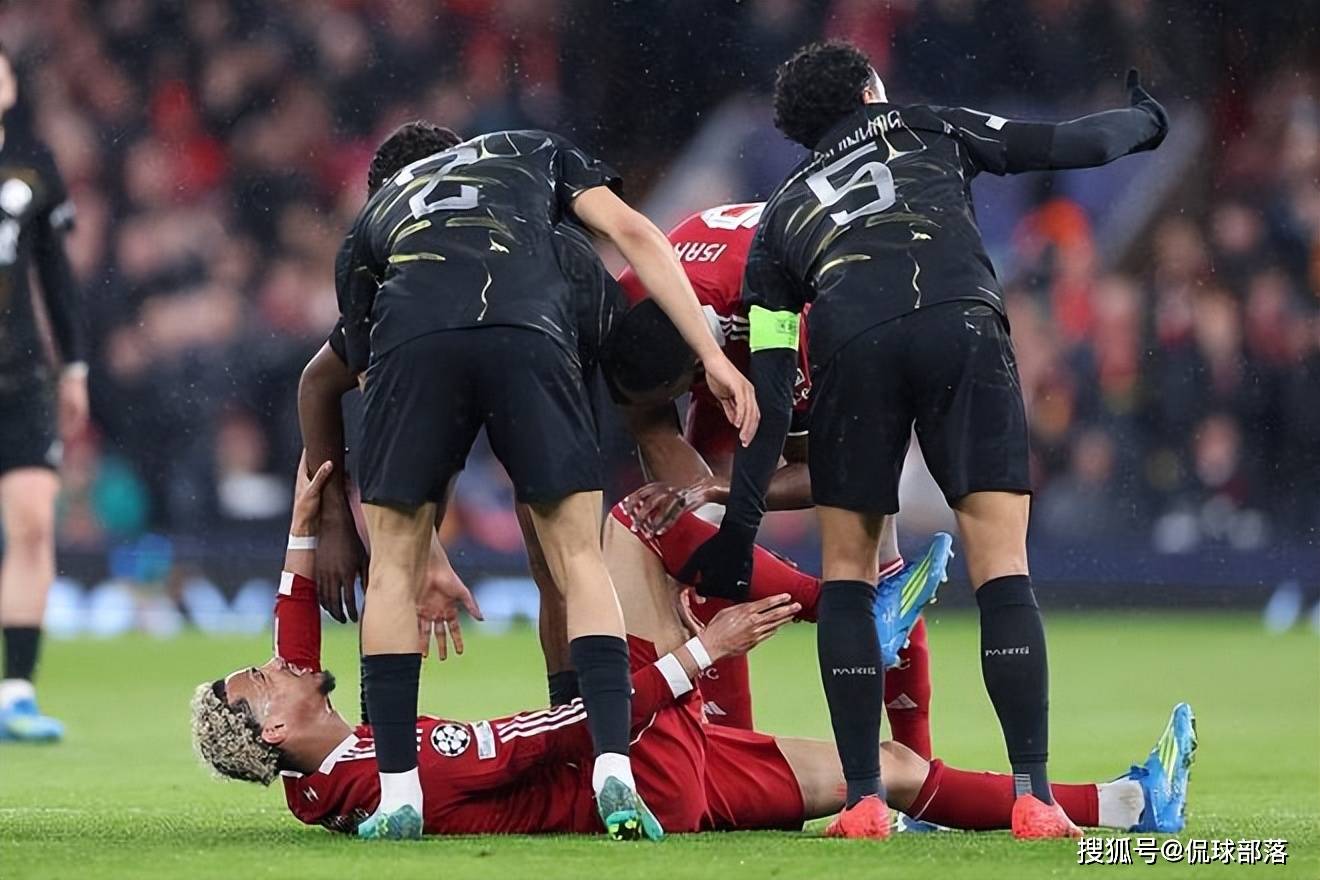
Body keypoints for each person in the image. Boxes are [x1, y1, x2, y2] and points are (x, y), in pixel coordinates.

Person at [681, 42, 1170, 839]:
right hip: (959, 323)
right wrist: (1144, 123)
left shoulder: (781, 216)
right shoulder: (924, 125)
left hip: (853, 347)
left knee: (849, 575)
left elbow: (770, 388)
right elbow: (1063, 144)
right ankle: (1034, 799)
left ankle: (865, 802)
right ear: (869, 91)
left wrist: (739, 528)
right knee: (1001, 568)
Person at [190, 457, 1197, 839]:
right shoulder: (394, 768)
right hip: (636, 765)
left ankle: (1127, 804)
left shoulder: (314, 778)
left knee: (886, 768)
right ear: (272, 723)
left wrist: (301, 532)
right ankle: (846, 612)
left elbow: (292, 644)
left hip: (662, 767)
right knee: (634, 519)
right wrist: (699, 655)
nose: (283, 661)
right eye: (266, 676)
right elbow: (561, 731)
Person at [329, 121, 757, 840]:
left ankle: (399, 794)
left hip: (415, 342)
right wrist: (709, 356)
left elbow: (369, 377)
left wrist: (421, 537)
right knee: (577, 559)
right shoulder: (526, 149)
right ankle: (614, 770)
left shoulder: (371, 221)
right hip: (528, 326)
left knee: (394, 573)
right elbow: (635, 233)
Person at [610, 202, 950, 753]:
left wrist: (729, 491)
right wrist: (694, 538)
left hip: (832, 308)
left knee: (867, 545)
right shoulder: (628, 307)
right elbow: (652, 428)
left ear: (697, 370)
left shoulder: (789, 309)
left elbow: (837, 473)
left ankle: (916, 761)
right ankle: (732, 759)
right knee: (703, 549)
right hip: (724, 321)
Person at [0, 43, 87, 742]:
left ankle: (16, 693)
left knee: (32, 521)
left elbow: (56, 271)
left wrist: (75, 366)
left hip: (21, 375)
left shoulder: (34, 166)